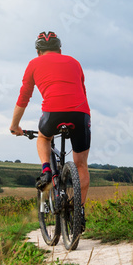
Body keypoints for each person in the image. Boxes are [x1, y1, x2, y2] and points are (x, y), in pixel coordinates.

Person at [10, 31, 91, 206]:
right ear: (59, 50)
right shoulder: (74, 62)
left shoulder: (34, 64)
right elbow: (83, 92)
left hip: (53, 113)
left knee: (44, 137)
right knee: (81, 164)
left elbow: (23, 97)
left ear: (38, 52)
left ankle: (46, 170)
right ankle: (79, 212)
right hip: (81, 113)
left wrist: (15, 125)